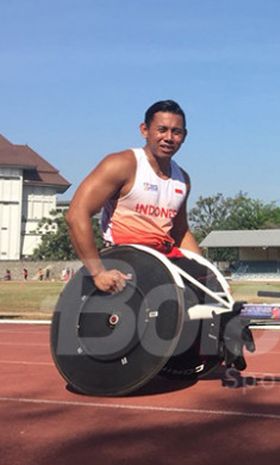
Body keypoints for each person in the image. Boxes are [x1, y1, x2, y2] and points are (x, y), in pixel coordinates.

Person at [66, 100, 252, 370]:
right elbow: (76, 214)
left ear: (184, 137)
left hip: (164, 256)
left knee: (219, 296)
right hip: (129, 253)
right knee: (176, 298)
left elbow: (180, 232)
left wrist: (211, 277)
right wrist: (97, 271)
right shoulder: (122, 164)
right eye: (161, 129)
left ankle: (216, 346)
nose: (169, 137)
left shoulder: (181, 179)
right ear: (145, 130)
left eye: (176, 132)